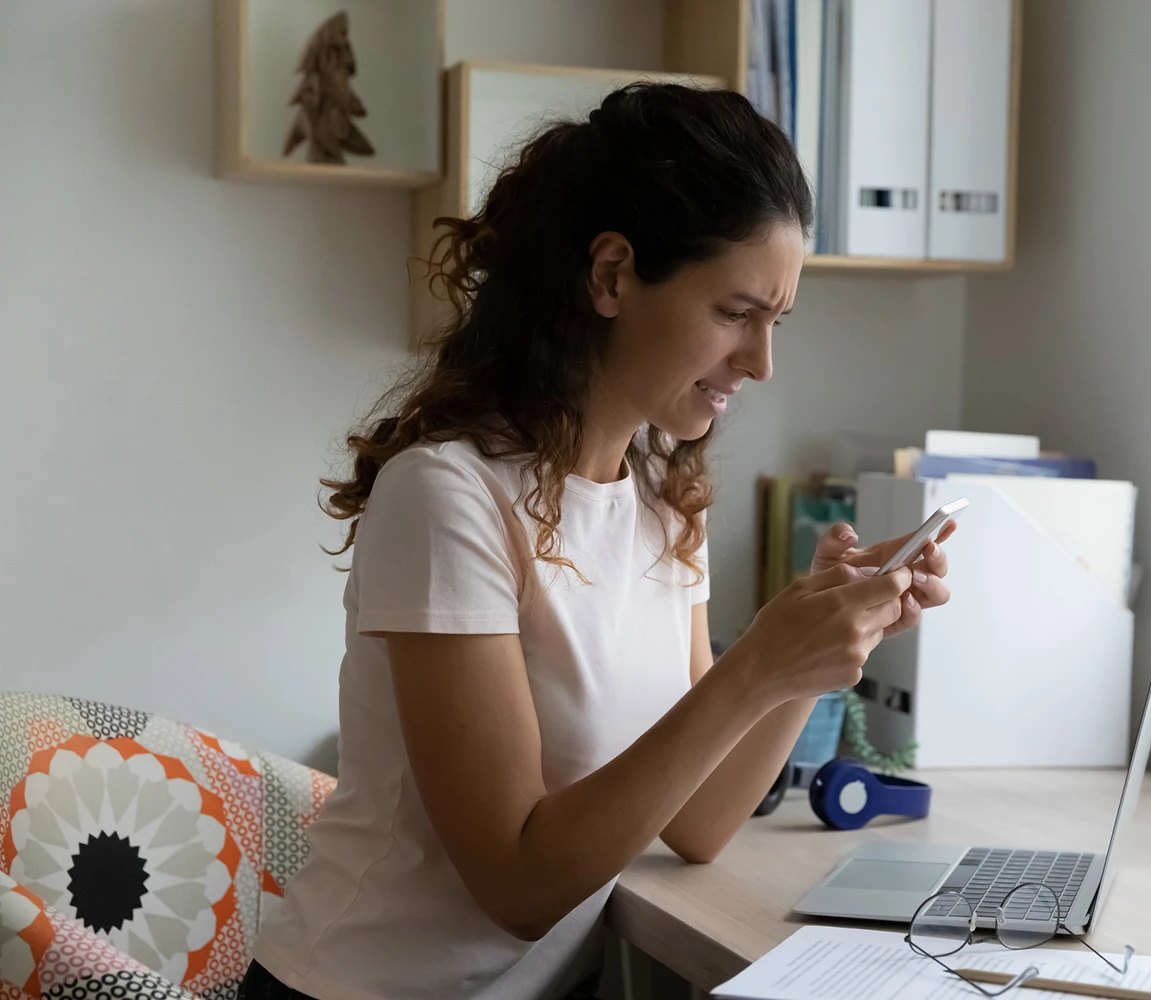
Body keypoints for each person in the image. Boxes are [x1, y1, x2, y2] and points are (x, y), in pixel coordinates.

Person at [242, 83, 955, 1000]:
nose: (761, 362)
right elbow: (516, 883)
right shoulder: (446, 496)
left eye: (776, 322)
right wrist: (756, 664)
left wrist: (808, 654)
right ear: (612, 275)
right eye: (737, 313)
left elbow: (698, 822)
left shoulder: (664, 494)